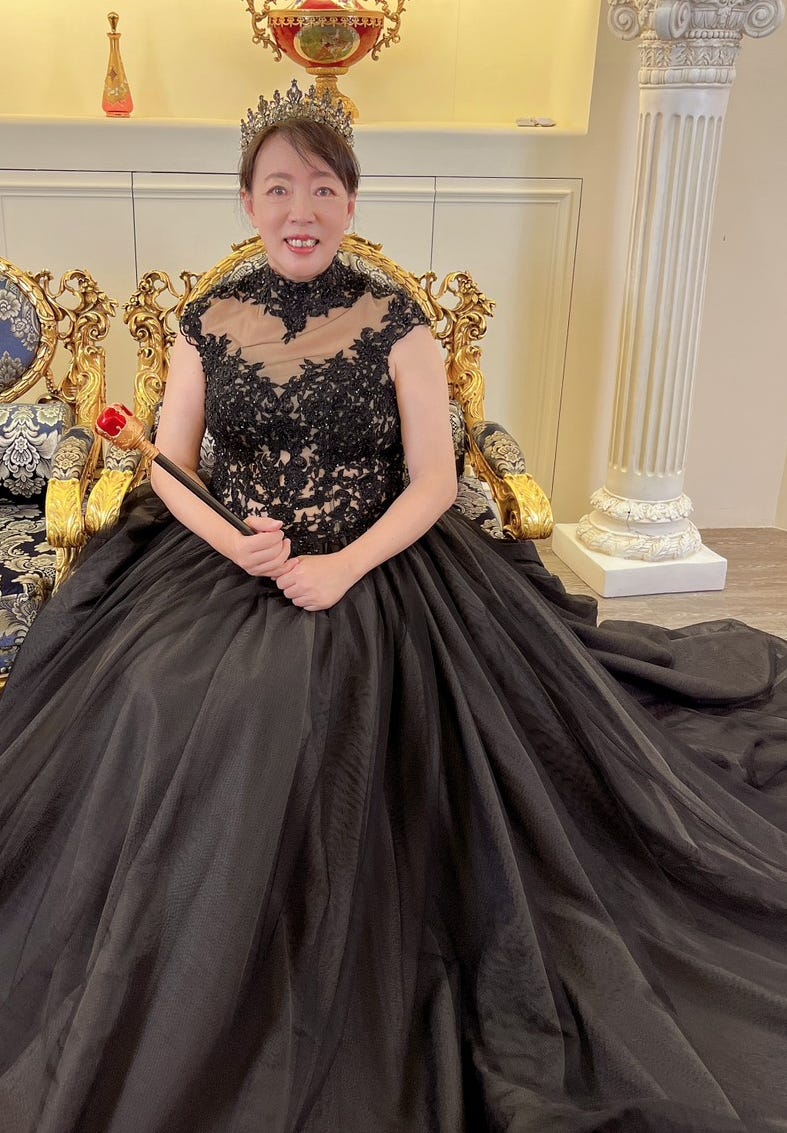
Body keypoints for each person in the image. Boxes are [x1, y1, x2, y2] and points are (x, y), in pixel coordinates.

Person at [0, 80, 786, 1133]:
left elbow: (431, 481)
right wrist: (235, 540)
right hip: (224, 557)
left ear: (351, 201)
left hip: (385, 561)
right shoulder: (201, 322)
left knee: (318, 701)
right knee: (158, 693)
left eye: (323, 188)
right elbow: (167, 468)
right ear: (248, 202)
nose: (301, 210)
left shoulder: (396, 323)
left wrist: (341, 566)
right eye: (279, 188)